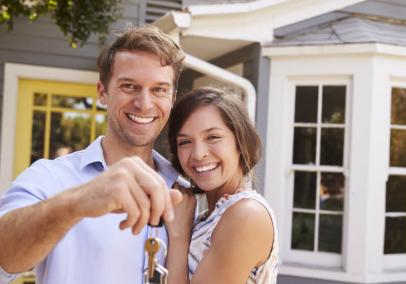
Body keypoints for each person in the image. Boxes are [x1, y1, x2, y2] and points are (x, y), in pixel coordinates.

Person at [0, 25, 185, 284]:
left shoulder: (187, 190)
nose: (144, 103)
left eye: (159, 89)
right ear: (102, 93)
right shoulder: (51, 177)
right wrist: (78, 202)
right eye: (130, 86)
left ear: (172, 97)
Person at [164, 87, 279, 283]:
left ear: (240, 142)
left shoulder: (246, 215)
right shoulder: (205, 218)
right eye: (185, 142)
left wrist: (178, 237)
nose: (198, 153)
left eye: (213, 137)